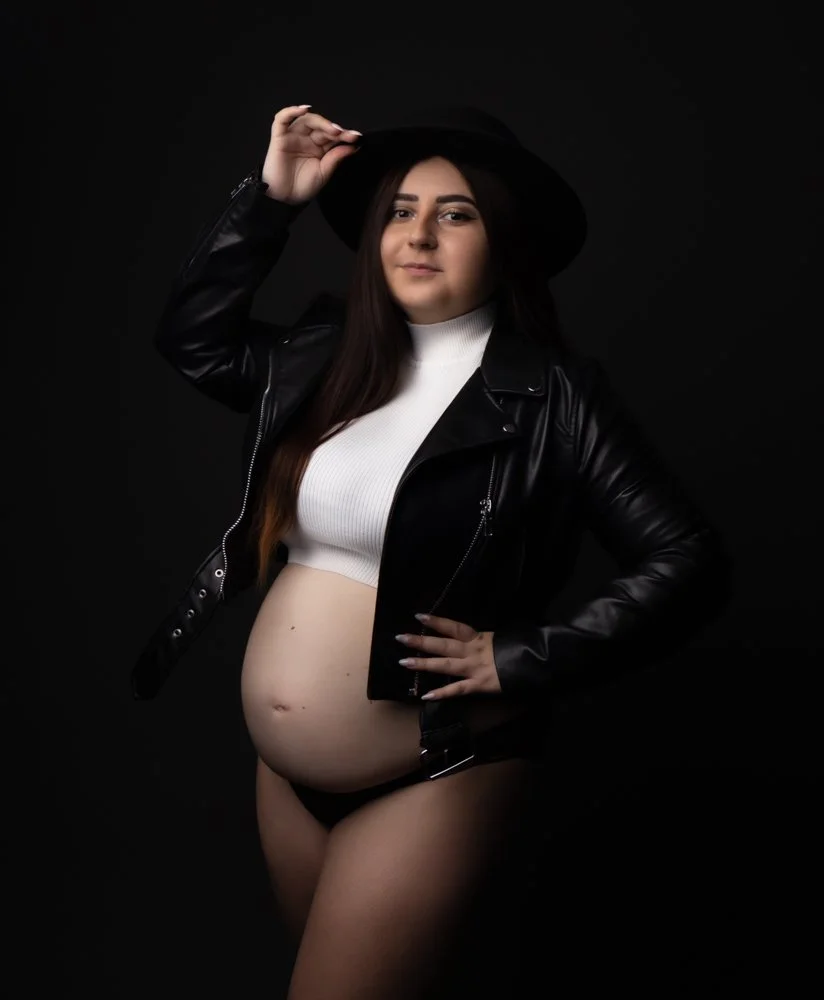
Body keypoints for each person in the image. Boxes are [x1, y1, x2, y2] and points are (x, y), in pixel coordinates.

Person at [132, 104, 732, 997]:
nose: (418, 235)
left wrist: (522, 658)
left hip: (435, 769)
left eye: (456, 214)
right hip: (284, 780)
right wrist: (271, 202)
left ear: (504, 241)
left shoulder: (553, 396)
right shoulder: (320, 358)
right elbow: (191, 339)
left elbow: (689, 560)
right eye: (400, 211)